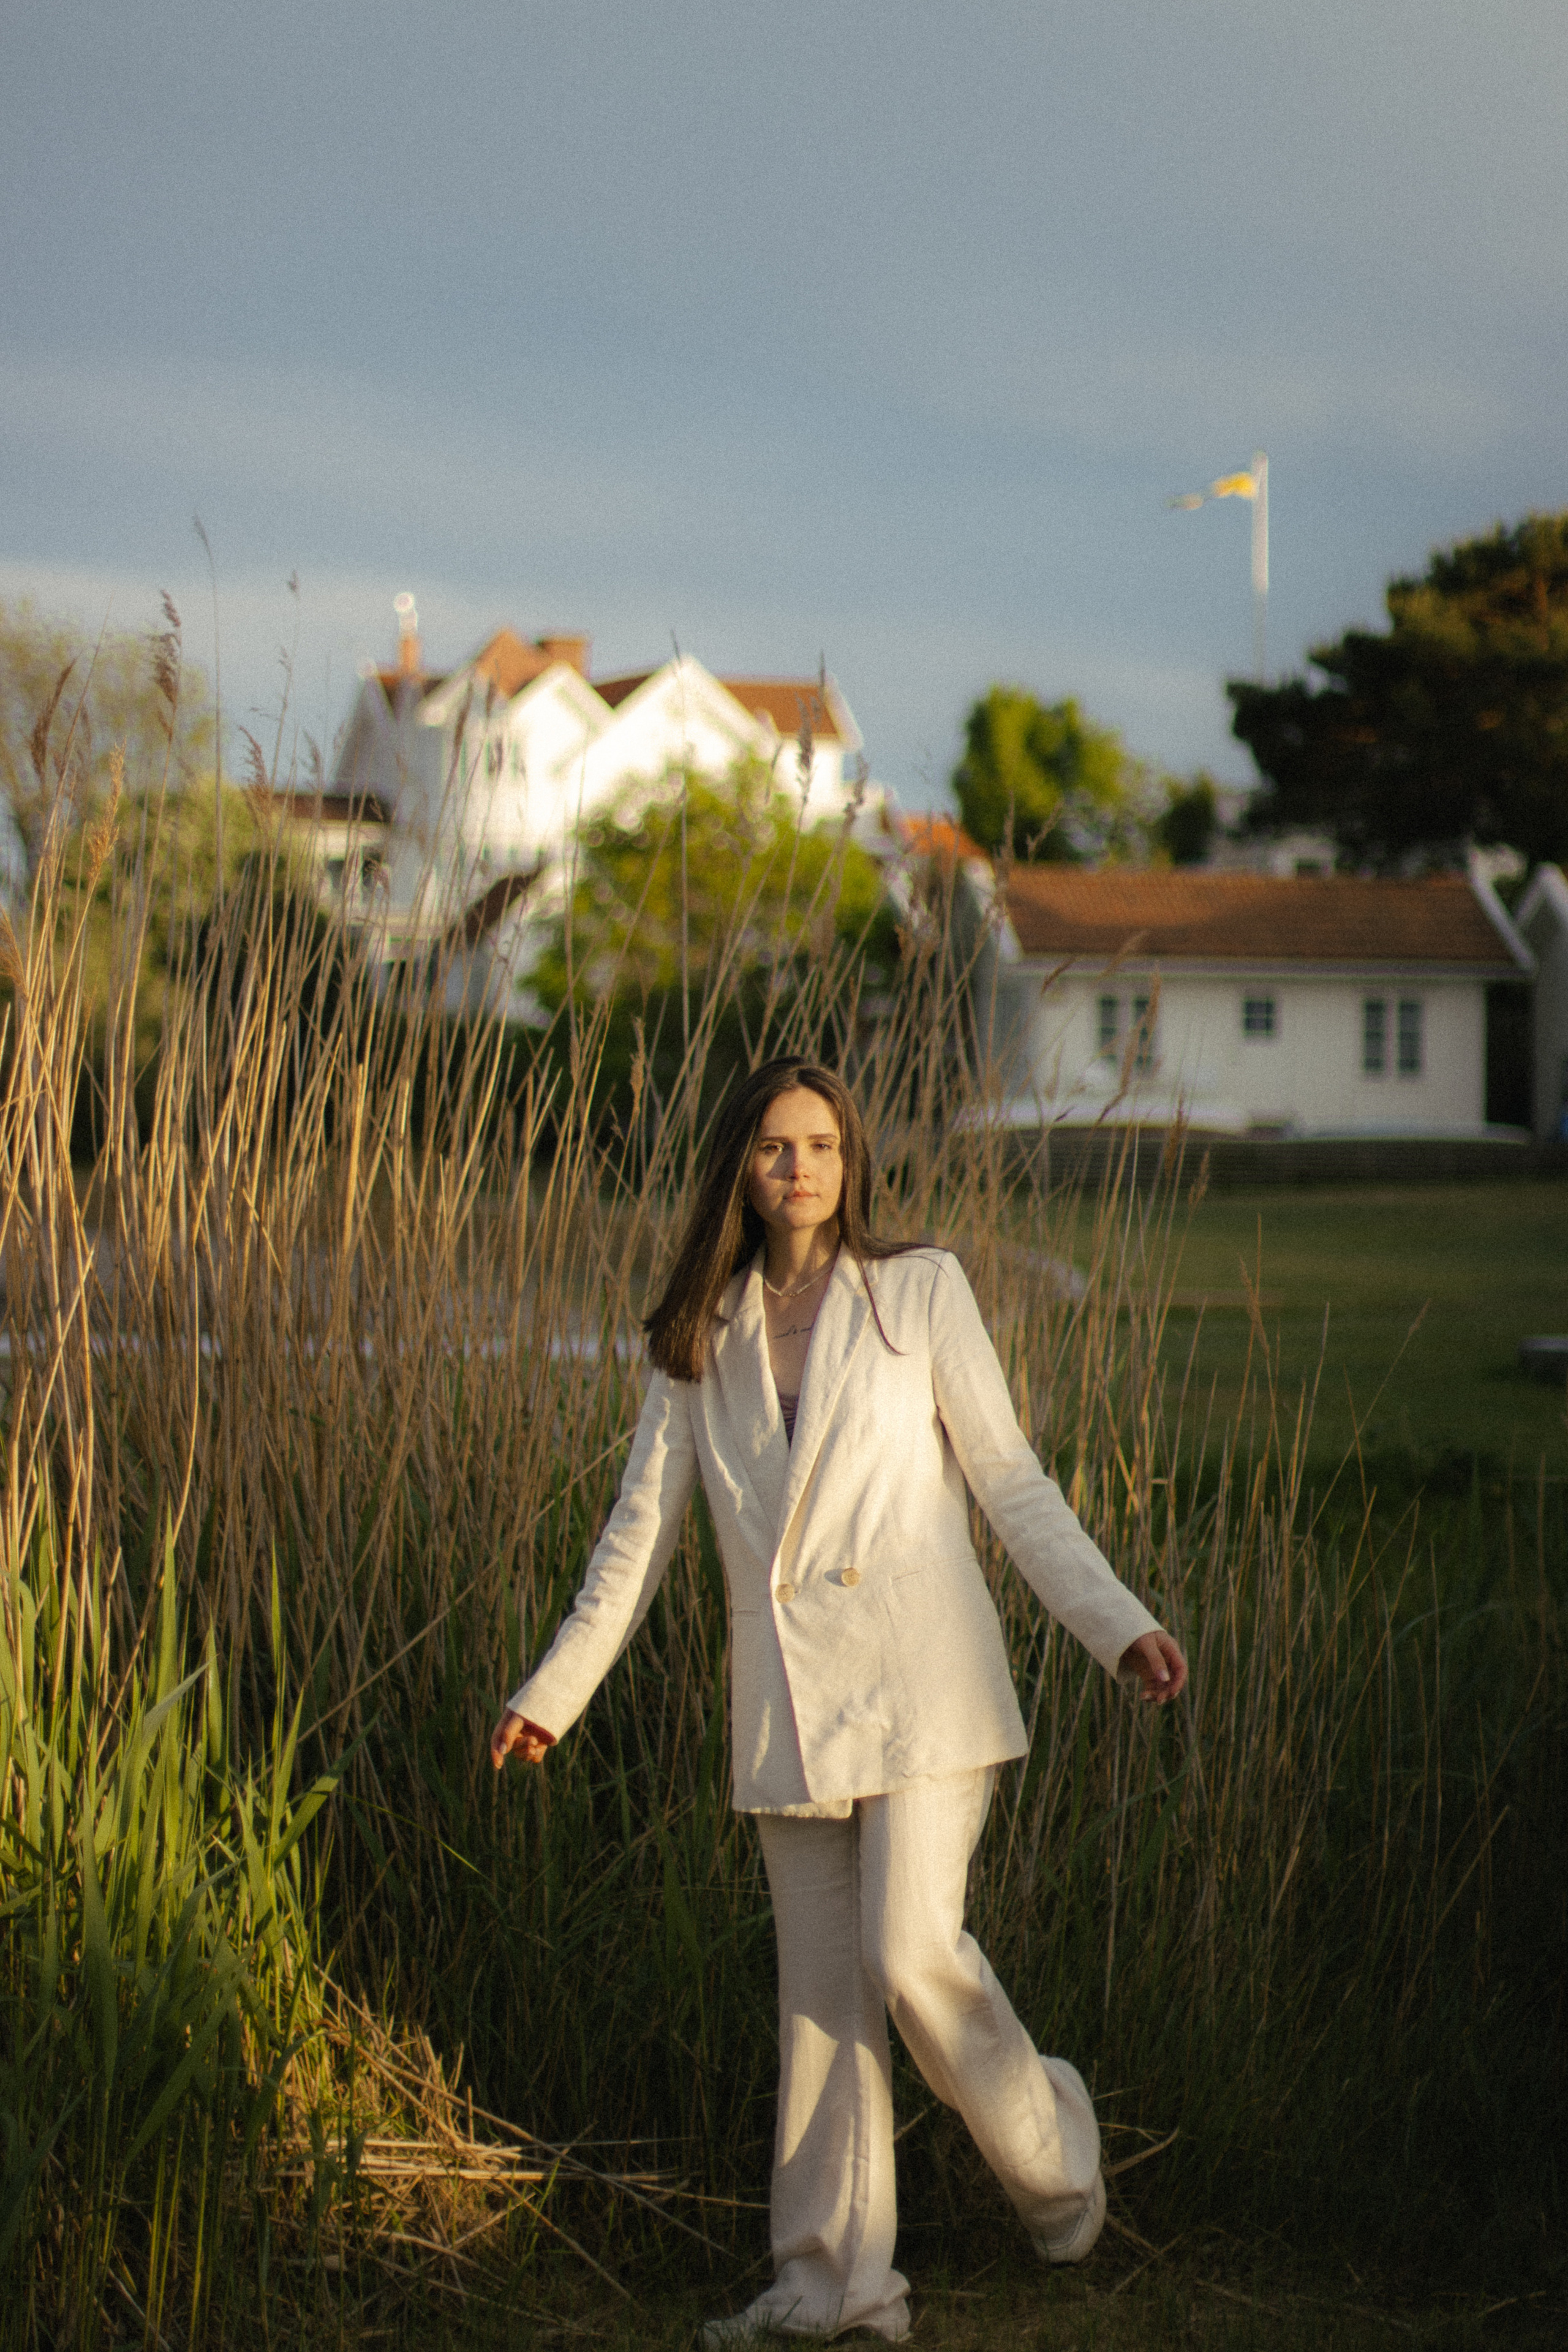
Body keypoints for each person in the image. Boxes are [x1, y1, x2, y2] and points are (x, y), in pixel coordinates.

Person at [491, 1056, 1188, 2345]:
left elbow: (1010, 1482)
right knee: (820, 2001)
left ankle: (1055, 2153)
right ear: (739, 1175)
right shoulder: (697, 1338)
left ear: (849, 1160)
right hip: (790, 1709)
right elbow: (633, 1539)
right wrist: (552, 1692)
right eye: (771, 1148)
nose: (797, 1166)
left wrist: (1117, 1624)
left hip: (923, 1685)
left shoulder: (917, 1294)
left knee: (905, 1951)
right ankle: (832, 2284)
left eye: (817, 1144)